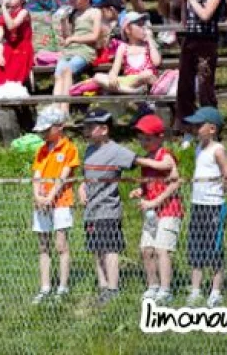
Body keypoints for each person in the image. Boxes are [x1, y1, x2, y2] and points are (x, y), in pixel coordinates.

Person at [77, 108, 151, 305]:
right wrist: (82, 188)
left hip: (108, 210)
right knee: (96, 249)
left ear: (103, 129)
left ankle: (113, 287)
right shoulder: (89, 150)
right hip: (90, 211)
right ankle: (102, 285)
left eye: (90, 126)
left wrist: (165, 165)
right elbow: (86, 178)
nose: (86, 130)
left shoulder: (116, 151)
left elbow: (138, 161)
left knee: (110, 249)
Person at [130, 113, 183, 305]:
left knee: (163, 249)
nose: (144, 142)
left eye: (148, 138)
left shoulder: (165, 155)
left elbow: (173, 180)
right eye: (141, 138)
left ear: (160, 137)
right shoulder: (147, 159)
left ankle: (165, 289)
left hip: (169, 209)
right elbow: (149, 183)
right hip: (152, 212)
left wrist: (136, 160)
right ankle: (152, 285)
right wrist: (140, 190)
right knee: (146, 249)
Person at [29, 105, 79, 304]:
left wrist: (51, 196)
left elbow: (64, 175)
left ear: (59, 127)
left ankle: (63, 286)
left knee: (61, 244)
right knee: (43, 245)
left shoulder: (69, 148)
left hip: (61, 201)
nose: (43, 134)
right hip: (42, 203)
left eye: (46, 130)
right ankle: (45, 286)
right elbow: (37, 174)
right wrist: (38, 196)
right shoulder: (41, 150)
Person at [183, 106, 227, 308]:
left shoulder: (217, 149)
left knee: (215, 248)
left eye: (198, 125)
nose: (195, 128)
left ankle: (216, 290)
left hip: (214, 205)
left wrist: (226, 186)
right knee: (196, 247)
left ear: (212, 129)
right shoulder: (198, 148)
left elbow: (226, 171)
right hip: (198, 205)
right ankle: (196, 290)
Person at [176, 0, 223, 147]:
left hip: (206, 42)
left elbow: (205, 15)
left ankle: (210, 126)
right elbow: (186, 21)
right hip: (190, 40)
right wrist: (185, 0)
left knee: (205, 86)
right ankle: (187, 127)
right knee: (184, 86)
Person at [53, 0, 102, 113]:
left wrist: (74, 38)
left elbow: (95, 36)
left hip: (85, 51)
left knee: (67, 70)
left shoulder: (95, 12)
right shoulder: (73, 14)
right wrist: (63, 21)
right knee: (58, 74)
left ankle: (64, 109)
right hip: (70, 51)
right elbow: (67, 36)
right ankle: (55, 109)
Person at [94, 12, 161, 94]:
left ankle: (127, 90)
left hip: (145, 81)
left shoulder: (147, 45)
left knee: (147, 74)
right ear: (128, 29)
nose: (143, 28)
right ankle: (132, 91)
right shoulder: (123, 47)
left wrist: (150, 40)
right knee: (97, 77)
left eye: (144, 25)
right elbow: (114, 70)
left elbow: (156, 62)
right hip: (129, 82)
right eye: (139, 25)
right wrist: (112, 76)